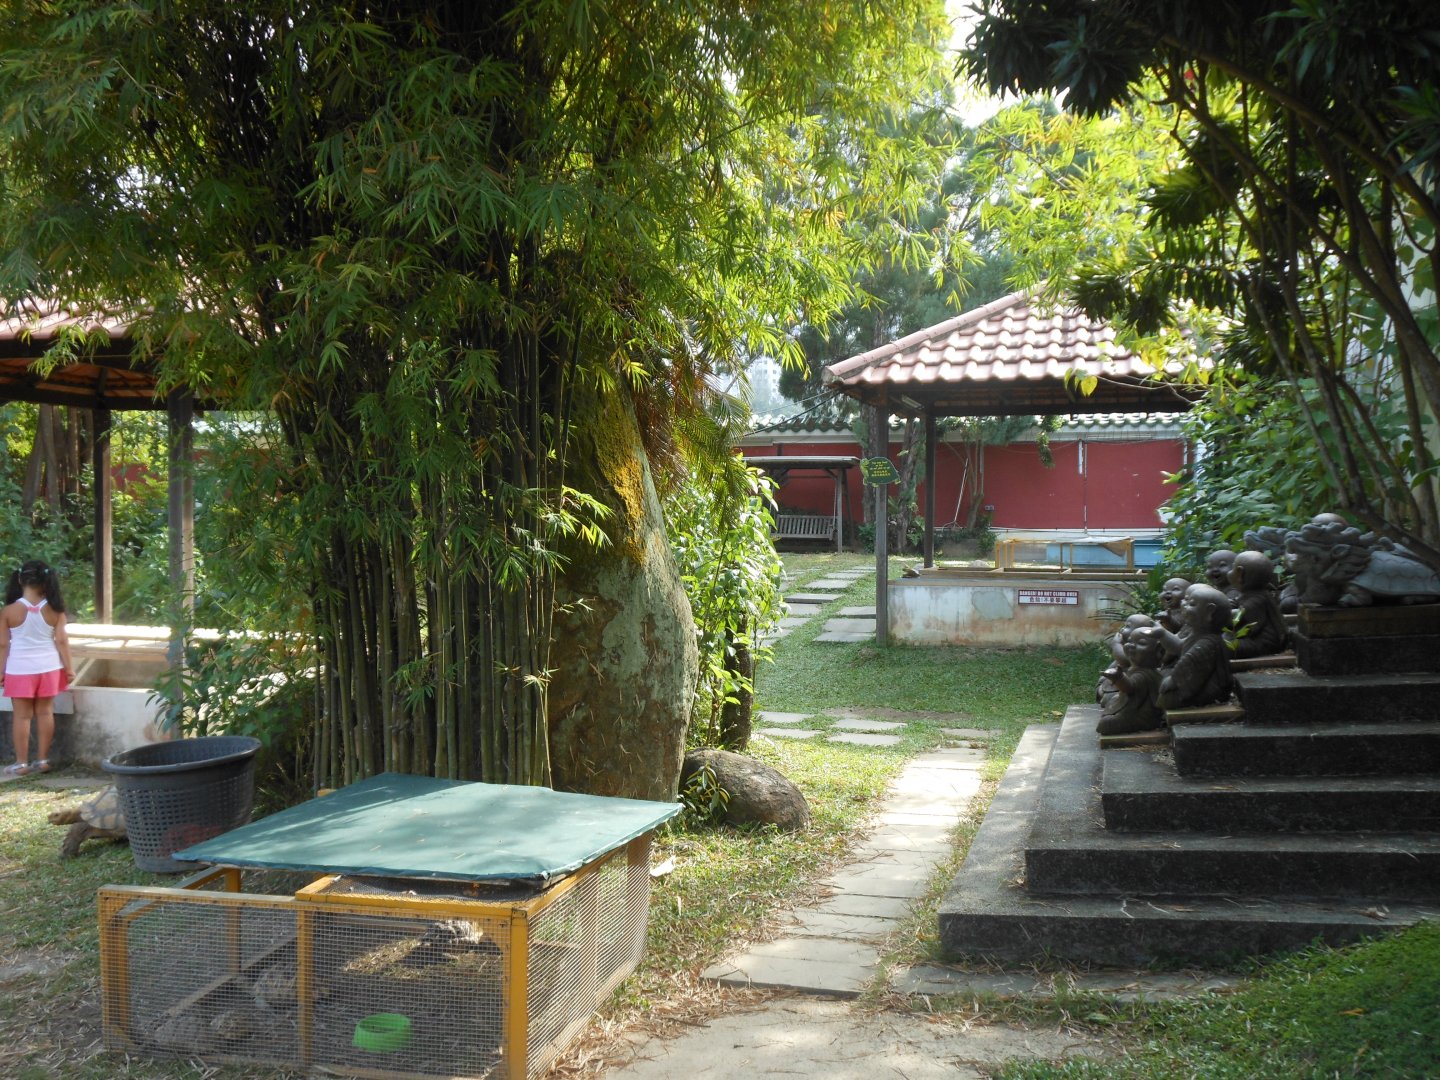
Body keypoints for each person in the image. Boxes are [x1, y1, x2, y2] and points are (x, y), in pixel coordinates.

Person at [1, 560, 74, 776]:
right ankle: (43, 760)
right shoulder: (56, 610)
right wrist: (69, 669)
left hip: (19, 669)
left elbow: (3, 644)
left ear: (20, 579)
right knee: (45, 712)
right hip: (49, 667)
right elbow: (62, 641)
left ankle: (21, 763)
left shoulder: (8, 611)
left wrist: (0, 670)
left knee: (22, 716)